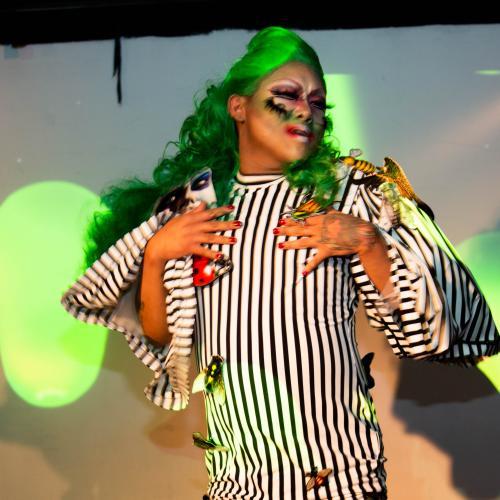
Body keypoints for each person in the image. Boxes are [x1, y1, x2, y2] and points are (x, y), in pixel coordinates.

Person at [61, 26, 499, 500]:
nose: (306, 111)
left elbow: (424, 337)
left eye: (318, 102)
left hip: (340, 485)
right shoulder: (199, 204)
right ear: (238, 106)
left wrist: (369, 242)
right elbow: (164, 338)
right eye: (287, 95)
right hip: (235, 486)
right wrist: (157, 255)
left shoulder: (347, 192)